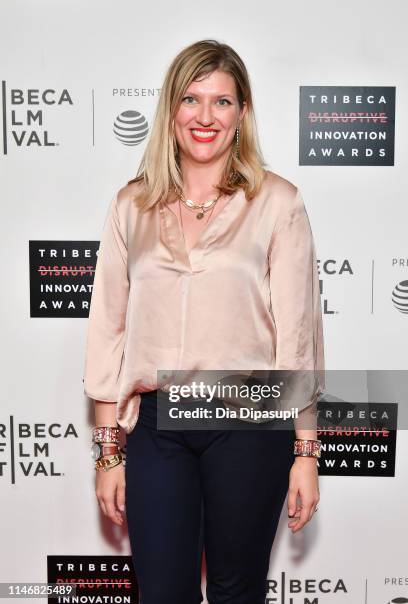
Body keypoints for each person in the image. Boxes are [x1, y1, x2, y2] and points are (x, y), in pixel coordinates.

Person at [83, 39, 325, 604]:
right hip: (157, 426)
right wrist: (109, 452)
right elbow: (107, 334)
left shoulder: (277, 202)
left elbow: (297, 336)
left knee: (236, 592)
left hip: (247, 419)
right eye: (192, 99)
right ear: (171, 111)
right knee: (164, 593)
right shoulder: (130, 207)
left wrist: (306, 455)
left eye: (222, 102)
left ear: (242, 114)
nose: (205, 116)